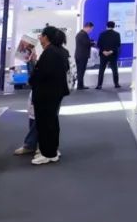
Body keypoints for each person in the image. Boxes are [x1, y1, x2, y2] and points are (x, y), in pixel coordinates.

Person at [28, 26, 70, 165]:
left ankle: (48, 153)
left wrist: (33, 70)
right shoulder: (60, 51)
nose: (39, 38)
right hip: (55, 92)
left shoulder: (50, 52)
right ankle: (52, 150)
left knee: (45, 123)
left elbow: (41, 74)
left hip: (46, 93)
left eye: (41, 35)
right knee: (52, 122)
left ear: (46, 37)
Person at [96, 21, 122, 89]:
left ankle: (99, 85)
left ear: (107, 26)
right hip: (113, 55)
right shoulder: (117, 34)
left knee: (101, 70)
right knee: (115, 70)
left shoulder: (102, 34)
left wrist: (103, 51)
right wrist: (111, 51)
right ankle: (116, 84)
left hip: (103, 55)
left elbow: (98, 44)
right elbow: (118, 45)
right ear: (114, 26)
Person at [74, 21, 93, 90]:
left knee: (80, 71)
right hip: (82, 55)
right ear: (88, 27)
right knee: (81, 71)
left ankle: (80, 85)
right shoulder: (83, 34)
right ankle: (80, 86)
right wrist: (93, 43)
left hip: (79, 55)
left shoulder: (80, 34)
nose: (91, 31)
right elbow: (86, 43)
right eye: (91, 29)